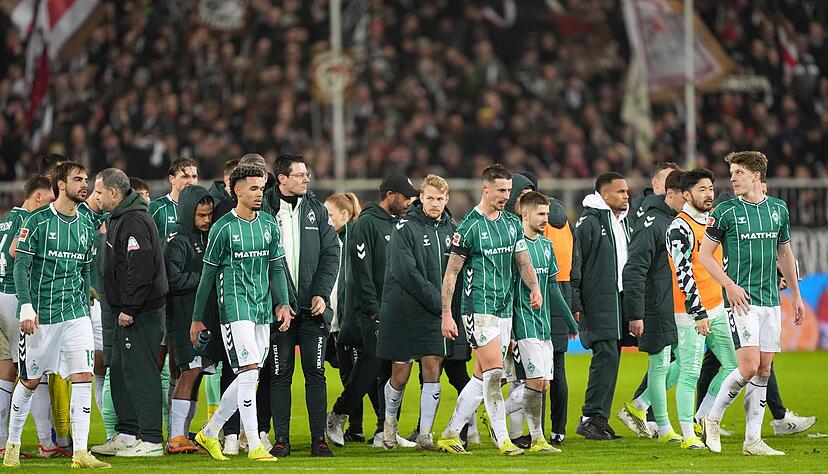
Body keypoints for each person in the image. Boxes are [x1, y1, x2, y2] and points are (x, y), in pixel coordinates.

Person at [3, 161, 109, 468]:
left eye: (86, 179)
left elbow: (87, 264)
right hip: (43, 316)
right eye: (78, 179)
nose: (84, 184)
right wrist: (26, 305)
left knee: (83, 377)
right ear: (60, 185)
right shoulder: (36, 222)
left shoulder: (87, 225)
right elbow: (21, 266)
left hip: (76, 314)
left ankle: (79, 452)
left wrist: (90, 288)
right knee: (30, 381)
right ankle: (12, 444)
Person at [699, 151, 805, 455]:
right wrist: (729, 286)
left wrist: (796, 295)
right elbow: (706, 255)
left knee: (764, 369)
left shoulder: (778, 210)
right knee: (747, 367)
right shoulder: (726, 211)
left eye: (738, 173)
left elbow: (784, 254)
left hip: (771, 300)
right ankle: (712, 419)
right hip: (741, 300)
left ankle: (752, 441)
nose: (732, 178)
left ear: (756, 176)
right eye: (731, 173)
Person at [436, 164, 542, 456]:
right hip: (478, 308)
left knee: (481, 376)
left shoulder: (511, 223)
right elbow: (451, 274)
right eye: (500, 191)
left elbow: (522, 262)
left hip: (504, 308)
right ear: (485, 189)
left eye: (508, 191)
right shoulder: (469, 226)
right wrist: (447, 313)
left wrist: (534, 287)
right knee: (495, 372)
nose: (506, 196)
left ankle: (449, 433)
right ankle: (504, 439)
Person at [190, 164, 292, 462]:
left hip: (261, 308)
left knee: (251, 375)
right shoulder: (223, 228)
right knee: (248, 371)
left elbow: (276, 267)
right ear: (236, 190)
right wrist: (197, 318)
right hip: (235, 308)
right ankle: (255, 446)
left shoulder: (269, 224)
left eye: (261, 188)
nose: (259, 193)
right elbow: (207, 277)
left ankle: (210, 432)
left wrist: (283, 303)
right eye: (253, 188)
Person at [326, 175, 418, 448]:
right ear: (390, 195)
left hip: (398, 308)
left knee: (395, 370)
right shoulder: (366, 223)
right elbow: (359, 271)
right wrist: (372, 308)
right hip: (373, 311)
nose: (409, 201)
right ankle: (338, 414)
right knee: (371, 365)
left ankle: (385, 431)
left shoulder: (401, 222)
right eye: (406, 196)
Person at [264, 153, 340, 458]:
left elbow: (331, 252)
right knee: (280, 375)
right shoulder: (265, 210)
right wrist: (277, 301)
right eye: (300, 175)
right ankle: (280, 439)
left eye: (306, 174)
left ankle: (318, 440)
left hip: (311, 312)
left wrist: (321, 292)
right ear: (282, 179)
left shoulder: (316, 211)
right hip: (279, 312)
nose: (306, 179)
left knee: (316, 373)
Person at [375, 174, 456, 452]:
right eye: (430, 198)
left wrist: (444, 306)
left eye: (440, 199)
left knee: (433, 367)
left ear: (447, 200)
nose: (435, 203)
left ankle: (424, 435)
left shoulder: (451, 229)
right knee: (400, 373)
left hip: (435, 312)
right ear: (421, 198)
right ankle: (389, 428)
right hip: (406, 311)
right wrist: (440, 303)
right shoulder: (405, 227)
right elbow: (405, 272)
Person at [662, 169, 739, 449]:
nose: (709, 195)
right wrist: (699, 313)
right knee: (690, 372)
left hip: (717, 306)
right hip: (692, 313)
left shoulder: (711, 221)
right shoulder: (679, 227)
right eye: (702, 190)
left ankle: (702, 417)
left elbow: (719, 261)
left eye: (710, 189)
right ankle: (687, 436)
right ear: (686, 194)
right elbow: (683, 274)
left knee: (734, 366)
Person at [97, 167, 169, 457]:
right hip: (128, 310)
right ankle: (127, 434)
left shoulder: (134, 220)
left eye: (99, 192)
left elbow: (139, 269)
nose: (97, 197)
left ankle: (150, 439)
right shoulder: (121, 217)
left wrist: (129, 307)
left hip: (141, 311)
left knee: (142, 373)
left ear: (113, 192)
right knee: (123, 372)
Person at [507, 191, 578, 453]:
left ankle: (496, 417)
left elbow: (553, 289)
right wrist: (510, 327)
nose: (546, 219)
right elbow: (509, 288)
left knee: (543, 384)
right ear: (525, 214)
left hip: (544, 323)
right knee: (534, 382)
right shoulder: (515, 246)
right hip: (523, 322)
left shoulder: (547, 247)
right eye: (541, 214)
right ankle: (536, 438)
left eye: (547, 214)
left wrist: (570, 321)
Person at [622, 170, 686, 443]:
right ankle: (664, 428)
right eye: (685, 197)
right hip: (654, 305)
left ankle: (640, 407)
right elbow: (634, 269)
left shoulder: (673, 221)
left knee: (681, 363)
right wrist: (636, 313)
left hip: (670, 304)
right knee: (660, 365)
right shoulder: (653, 222)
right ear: (670, 194)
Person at [0, 175, 59, 457]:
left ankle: (1, 442)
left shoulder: (5, 220)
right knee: (33, 371)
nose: (52, 206)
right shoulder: (29, 220)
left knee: (6, 370)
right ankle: (45, 443)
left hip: (0, 297)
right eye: (49, 199)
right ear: (38, 197)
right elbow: (15, 252)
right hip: (15, 300)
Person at [572, 172, 630, 440]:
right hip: (598, 301)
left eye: (626, 191)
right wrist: (576, 303)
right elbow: (576, 266)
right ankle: (589, 417)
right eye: (620, 191)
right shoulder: (589, 222)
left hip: (617, 300)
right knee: (605, 357)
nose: (626, 195)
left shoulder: (620, 221)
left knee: (611, 358)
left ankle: (599, 418)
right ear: (604, 195)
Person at [164, 186, 219, 454]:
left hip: (200, 316)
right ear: (188, 212)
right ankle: (175, 436)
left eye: (209, 215)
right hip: (184, 317)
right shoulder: (178, 241)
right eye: (201, 215)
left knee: (195, 375)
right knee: (190, 372)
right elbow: (171, 280)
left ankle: (182, 434)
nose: (207, 220)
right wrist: (207, 279)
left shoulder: (203, 238)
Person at [324, 193, 376, 443]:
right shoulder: (333, 238)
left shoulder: (353, 239)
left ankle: (358, 425)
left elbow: (350, 283)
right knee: (352, 375)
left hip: (350, 319)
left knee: (357, 375)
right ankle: (360, 428)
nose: (326, 220)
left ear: (345, 215)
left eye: (330, 215)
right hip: (338, 318)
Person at [77, 186, 110, 415]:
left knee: (101, 365)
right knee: (79, 370)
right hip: (81, 301)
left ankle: (111, 430)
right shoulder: (78, 215)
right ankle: (54, 435)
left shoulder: (108, 218)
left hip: (102, 300)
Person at [628, 162, 681, 228]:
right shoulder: (645, 219)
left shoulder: (677, 209)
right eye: (671, 179)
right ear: (655, 184)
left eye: (678, 180)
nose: (677, 184)